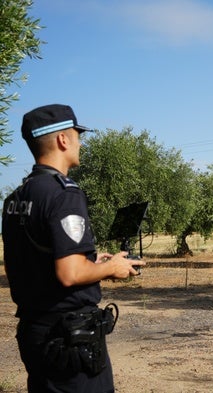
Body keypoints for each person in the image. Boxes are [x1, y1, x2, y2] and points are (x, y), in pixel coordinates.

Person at [2, 104, 144, 392]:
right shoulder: (64, 193)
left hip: (34, 331)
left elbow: (37, 259)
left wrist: (92, 260)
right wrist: (111, 268)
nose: (80, 142)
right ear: (62, 140)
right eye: (77, 135)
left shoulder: (16, 197)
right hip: (68, 339)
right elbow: (69, 273)